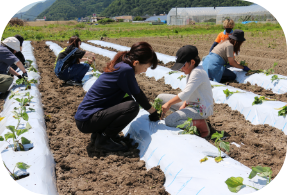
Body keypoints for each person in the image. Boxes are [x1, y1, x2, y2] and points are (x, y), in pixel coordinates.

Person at [75, 42, 160, 152]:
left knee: (127, 100)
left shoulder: (122, 65)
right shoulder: (126, 70)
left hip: (87, 117)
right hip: (87, 120)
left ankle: (98, 134)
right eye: (146, 67)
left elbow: (134, 93)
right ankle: (104, 140)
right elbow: (138, 94)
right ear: (136, 63)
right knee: (132, 107)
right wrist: (153, 113)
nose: (145, 71)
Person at [158, 45, 213, 138]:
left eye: (183, 66)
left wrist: (169, 104)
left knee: (169, 121)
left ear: (192, 62)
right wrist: (185, 104)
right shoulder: (191, 71)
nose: (181, 69)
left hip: (200, 109)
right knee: (160, 98)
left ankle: (199, 123)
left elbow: (185, 94)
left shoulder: (197, 72)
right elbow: (190, 93)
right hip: (192, 104)